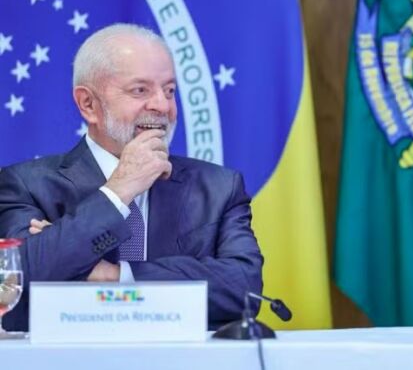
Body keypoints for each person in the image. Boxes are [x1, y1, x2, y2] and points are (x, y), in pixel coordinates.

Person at [0, 23, 263, 331]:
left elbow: (244, 291)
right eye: (140, 90)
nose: (162, 106)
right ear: (88, 104)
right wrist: (119, 191)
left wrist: (114, 276)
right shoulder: (25, 185)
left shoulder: (219, 188)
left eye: (169, 91)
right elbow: (18, 283)